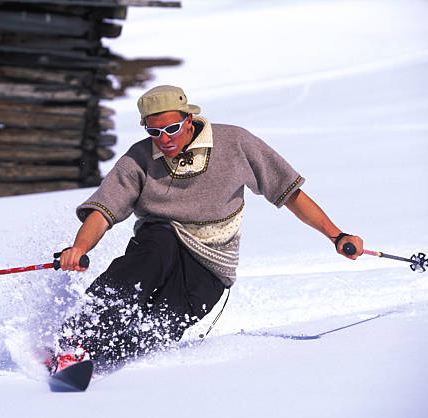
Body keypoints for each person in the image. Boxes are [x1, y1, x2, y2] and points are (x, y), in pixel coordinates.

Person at [44, 85, 363, 374]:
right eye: (154, 132)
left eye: (171, 128)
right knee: (150, 256)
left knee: (161, 327)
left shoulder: (235, 143)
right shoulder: (139, 158)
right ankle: (74, 340)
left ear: (189, 119)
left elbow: (288, 192)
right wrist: (80, 249)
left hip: (212, 261)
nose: (164, 139)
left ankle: (100, 353)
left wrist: (336, 235)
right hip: (163, 237)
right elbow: (103, 211)